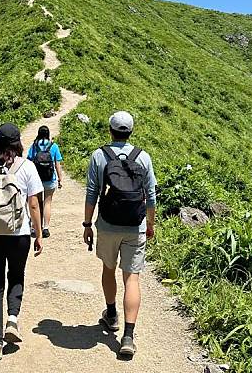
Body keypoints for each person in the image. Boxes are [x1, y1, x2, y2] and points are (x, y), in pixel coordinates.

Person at [82, 111, 156, 357]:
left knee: (108, 268)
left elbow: (92, 192)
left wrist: (87, 224)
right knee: (131, 278)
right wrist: (150, 225)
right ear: (131, 131)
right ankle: (128, 336)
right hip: (135, 226)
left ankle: (111, 315)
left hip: (107, 224)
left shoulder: (99, 156)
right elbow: (151, 196)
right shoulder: (143, 157)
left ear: (110, 131)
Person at [0, 123, 44, 361]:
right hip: (19, 234)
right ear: (18, 142)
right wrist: (38, 232)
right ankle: (12, 320)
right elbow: (33, 203)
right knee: (16, 276)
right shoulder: (27, 166)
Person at [27, 125, 63, 238]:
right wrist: (59, 178)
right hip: (50, 179)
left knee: (37, 203)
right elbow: (57, 164)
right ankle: (46, 228)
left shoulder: (34, 145)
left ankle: (35, 227)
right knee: (48, 202)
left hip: (36, 179)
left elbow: (29, 161)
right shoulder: (54, 146)